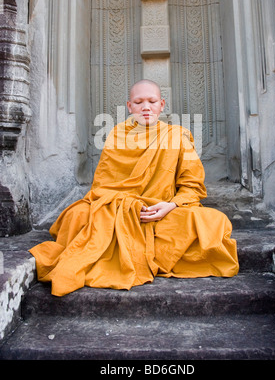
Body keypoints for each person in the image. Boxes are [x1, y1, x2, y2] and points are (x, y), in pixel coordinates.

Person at [29, 80, 239, 296]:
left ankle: (129, 244)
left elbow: (192, 187)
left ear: (162, 104)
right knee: (76, 215)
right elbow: (102, 187)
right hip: (117, 210)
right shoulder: (116, 136)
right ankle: (136, 244)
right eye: (138, 102)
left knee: (214, 221)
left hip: (161, 213)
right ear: (129, 107)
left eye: (152, 101)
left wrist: (169, 206)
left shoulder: (176, 136)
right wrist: (127, 207)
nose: (145, 107)